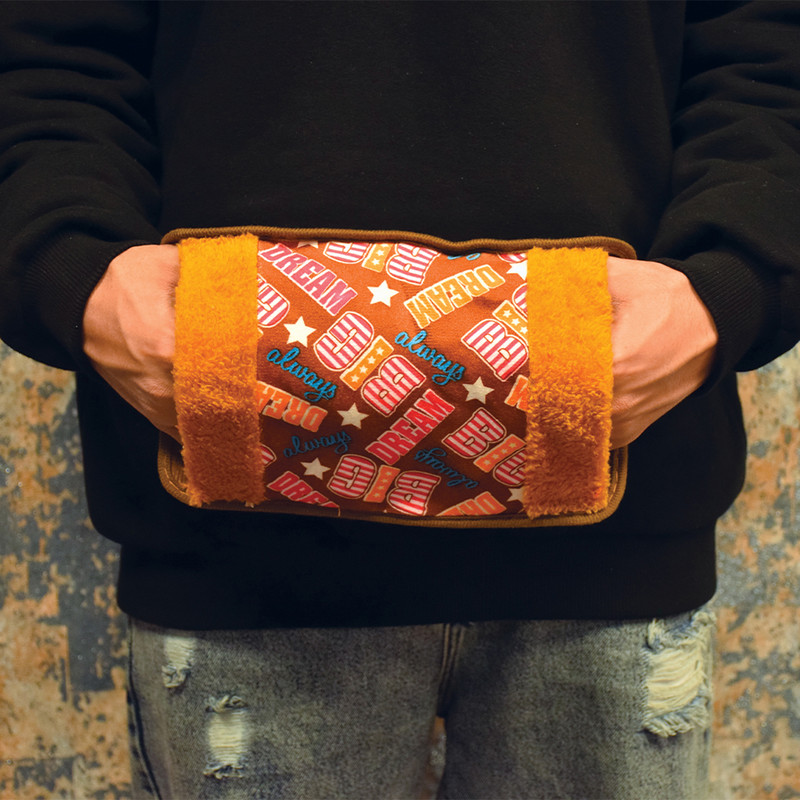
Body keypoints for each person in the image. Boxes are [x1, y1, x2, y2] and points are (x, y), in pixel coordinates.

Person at [1, 2, 798, 797]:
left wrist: (723, 286)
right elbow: (49, 58)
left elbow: (765, 50)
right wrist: (76, 267)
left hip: (621, 520)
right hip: (234, 540)